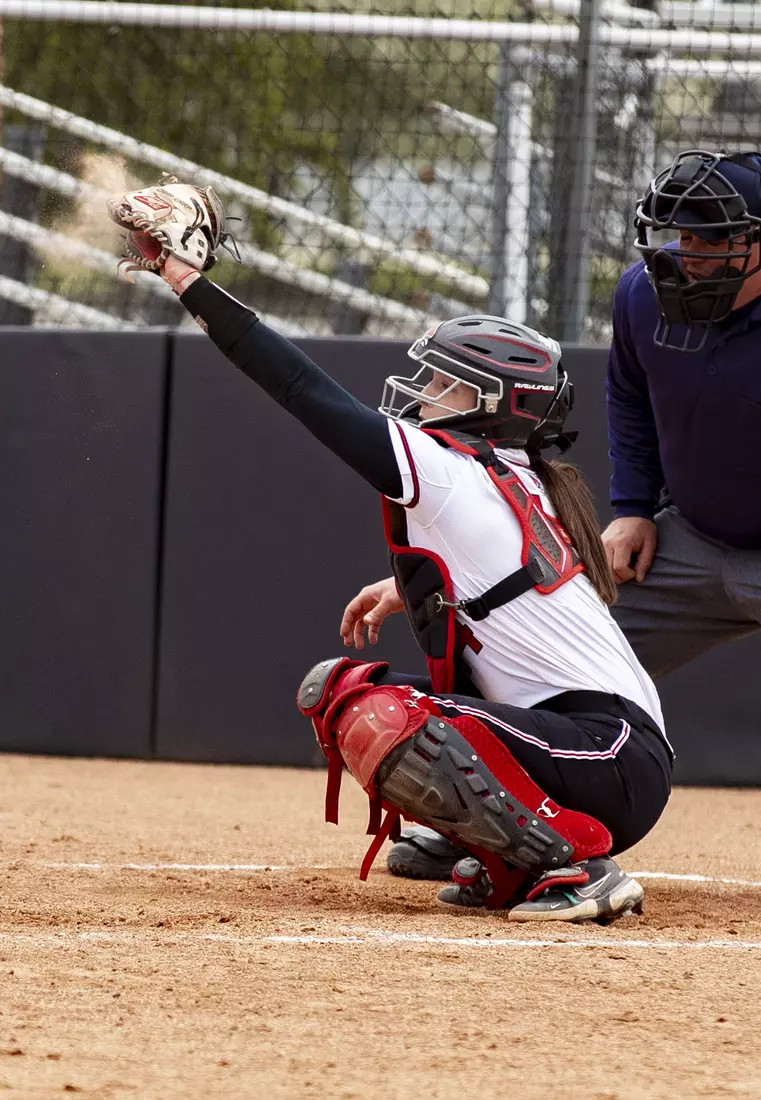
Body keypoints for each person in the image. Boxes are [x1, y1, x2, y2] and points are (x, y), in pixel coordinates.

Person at [107, 178, 672, 922]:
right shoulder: (517, 479)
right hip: (606, 752)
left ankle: (572, 858)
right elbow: (502, 582)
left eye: (443, 384)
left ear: (491, 407)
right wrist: (405, 590)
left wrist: (187, 279)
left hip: (603, 754)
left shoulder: (457, 469)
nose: (419, 391)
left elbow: (301, 387)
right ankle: (499, 846)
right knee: (343, 689)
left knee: (375, 709)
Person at [363, 146, 761, 882]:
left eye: (712, 238)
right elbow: (628, 401)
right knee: (519, 655)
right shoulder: (644, 295)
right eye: (677, 236)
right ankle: (496, 824)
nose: (688, 254)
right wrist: (634, 508)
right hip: (691, 539)